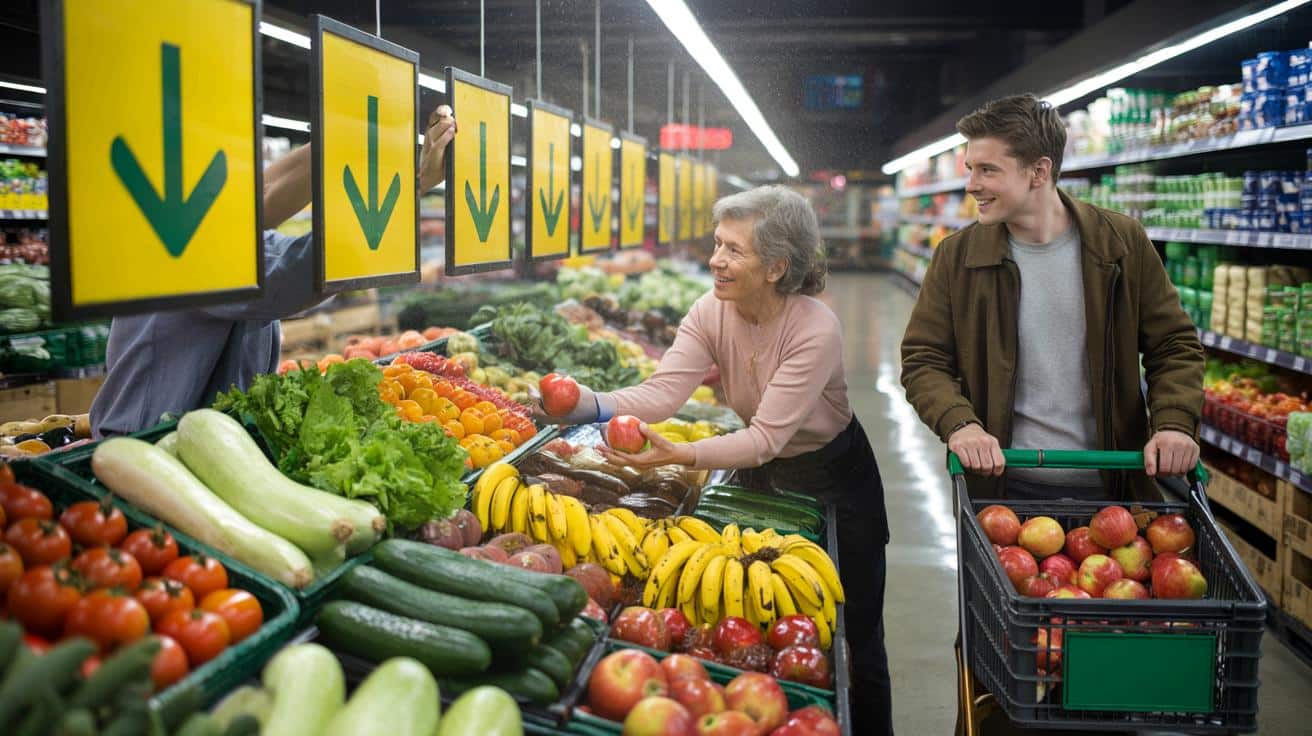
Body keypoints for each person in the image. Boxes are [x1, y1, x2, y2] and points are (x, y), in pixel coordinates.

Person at [544, 185, 893, 735]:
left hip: (833, 480)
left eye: (734, 249)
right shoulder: (712, 309)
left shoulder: (815, 327)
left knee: (853, 639)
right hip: (757, 473)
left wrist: (680, 454)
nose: (716, 260)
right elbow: (663, 393)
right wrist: (585, 403)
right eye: (716, 243)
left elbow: (764, 437)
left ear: (776, 267)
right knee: (749, 619)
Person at [900, 93, 1204, 503]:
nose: (972, 185)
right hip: (1003, 490)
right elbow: (924, 359)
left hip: (1116, 486)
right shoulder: (958, 258)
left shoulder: (1120, 244)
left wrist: (1174, 424)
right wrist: (960, 424)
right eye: (971, 169)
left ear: (1039, 171)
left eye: (988, 170)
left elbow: (1174, 345)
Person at [91, 106, 457, 437]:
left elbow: (266, 190)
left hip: (200, 441)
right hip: (147, 448)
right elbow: (297, 272)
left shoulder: (209, 223)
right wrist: (415, 184)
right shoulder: (183, 246)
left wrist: (364, 129)